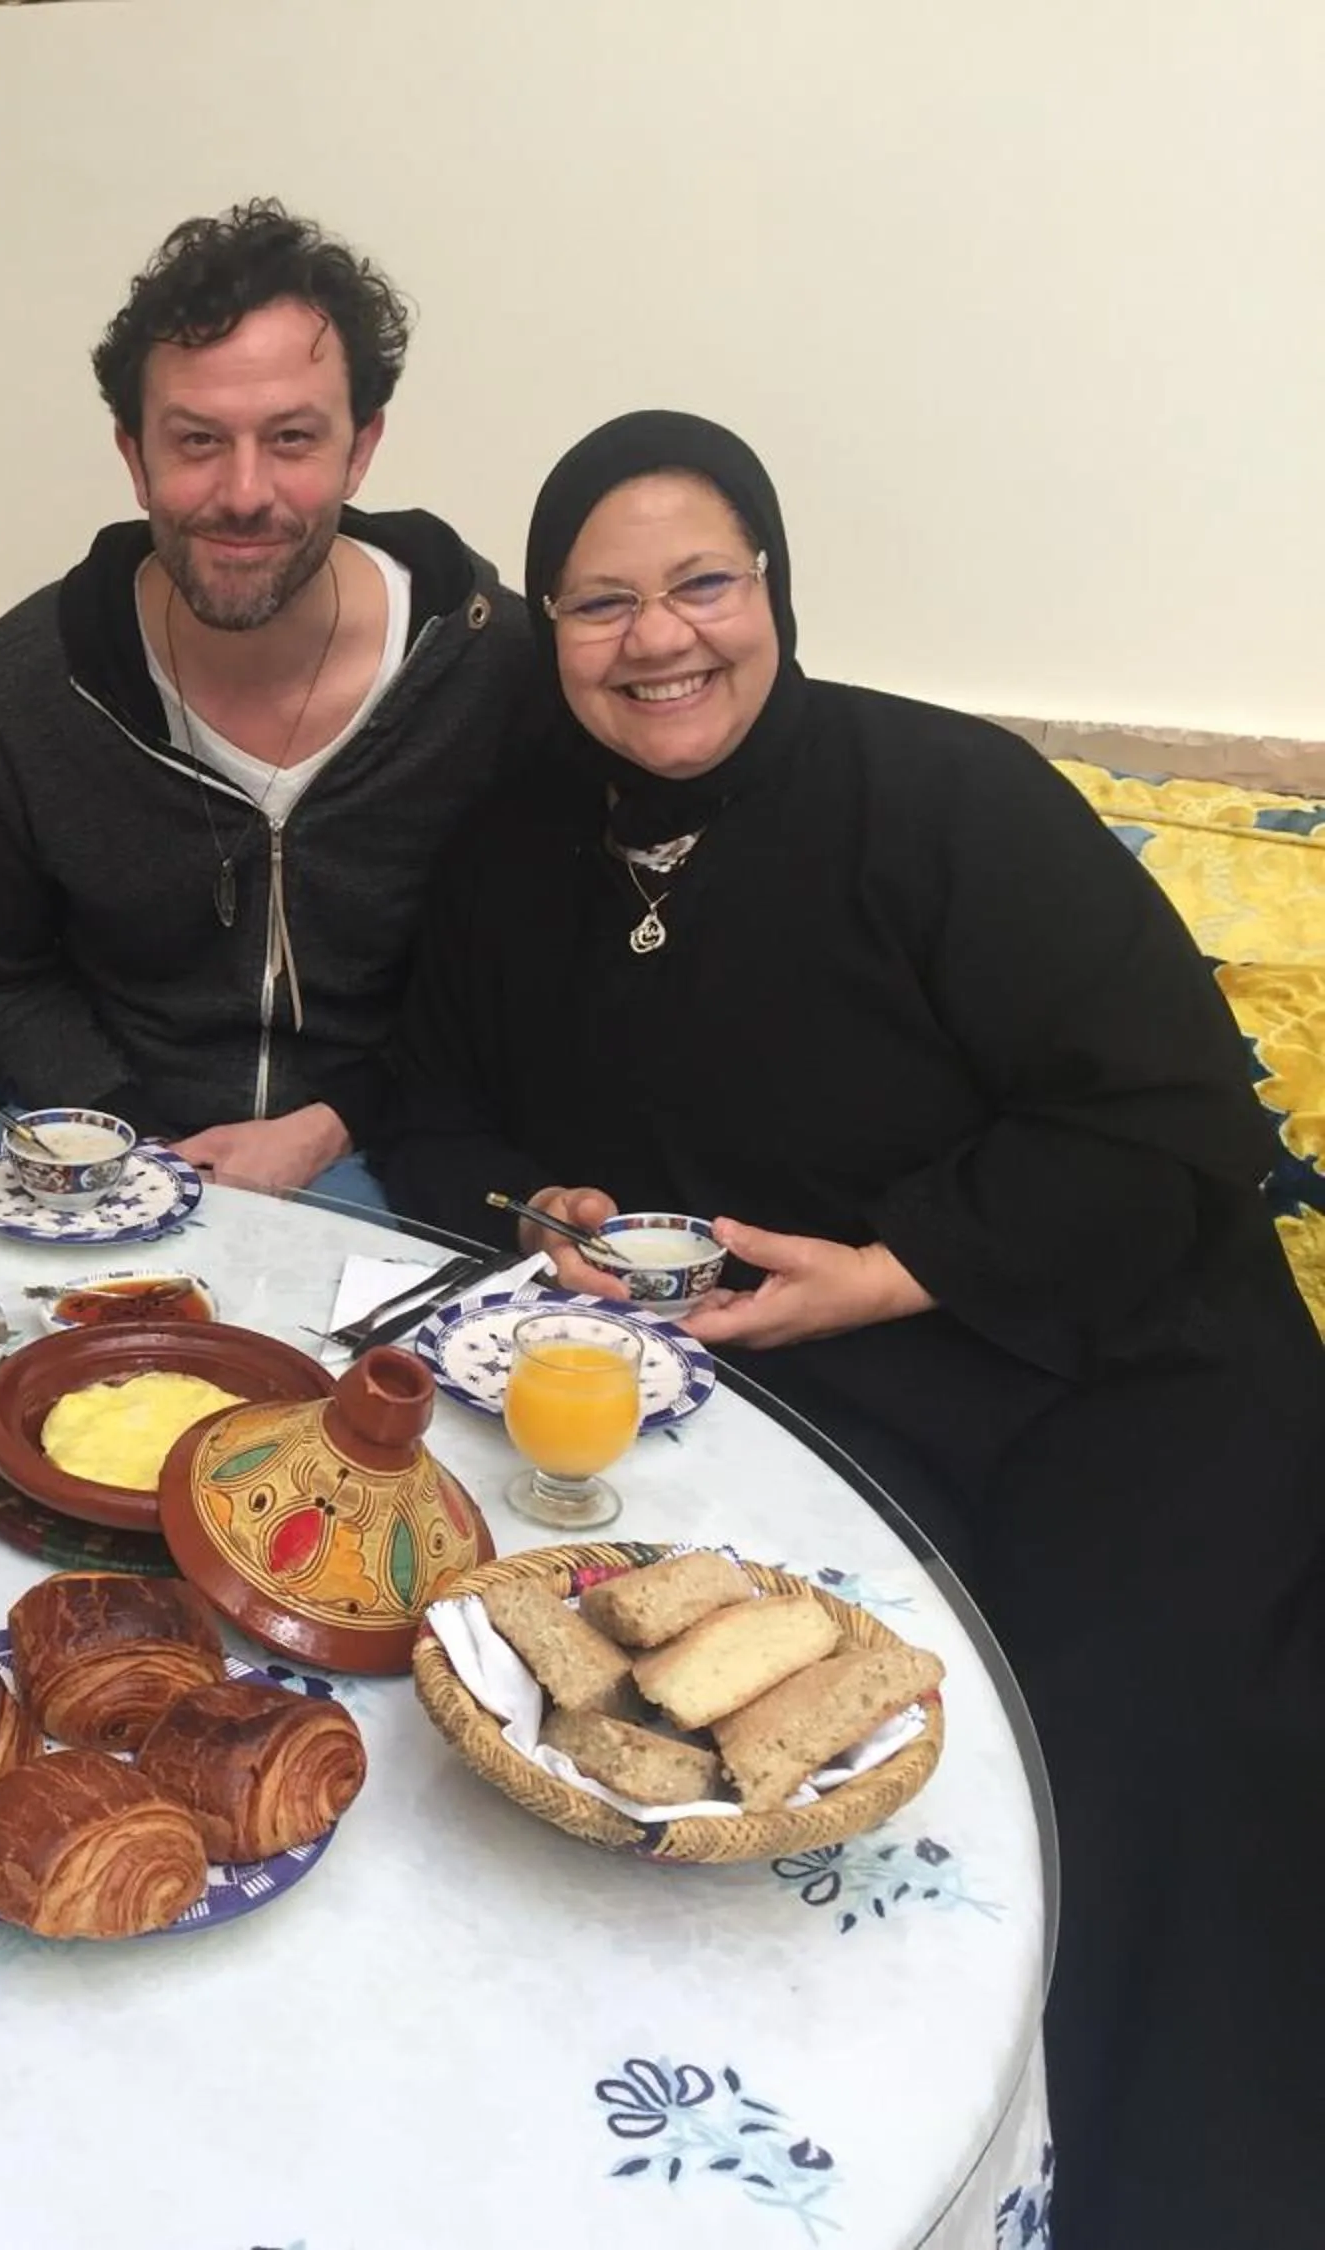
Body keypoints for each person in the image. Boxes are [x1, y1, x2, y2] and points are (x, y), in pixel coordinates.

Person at [376, 408, 1325, 2247]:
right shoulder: (512, 845)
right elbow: (433, 1110)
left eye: (703, 585)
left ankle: (1138, 2195)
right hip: (796, 1396)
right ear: (550, 628)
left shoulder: (950, 801)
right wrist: (538, 1210)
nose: (660, 639)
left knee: (1111, 1731)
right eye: (601, 603)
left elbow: (1169, 1124)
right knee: (650, 1720)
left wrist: (893, 1268)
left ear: (776, 590)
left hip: (1105, 1357)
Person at [0, 201, 531, 1206]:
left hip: (391, 1141)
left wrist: (337, 1120)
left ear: (361, 448)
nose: (245, 493)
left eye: (292, 438)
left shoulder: (495, 669)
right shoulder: (20, 688)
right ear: (136, 457)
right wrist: (148, 1148)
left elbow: (526, 974)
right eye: (198, 440)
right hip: (103, 1135)